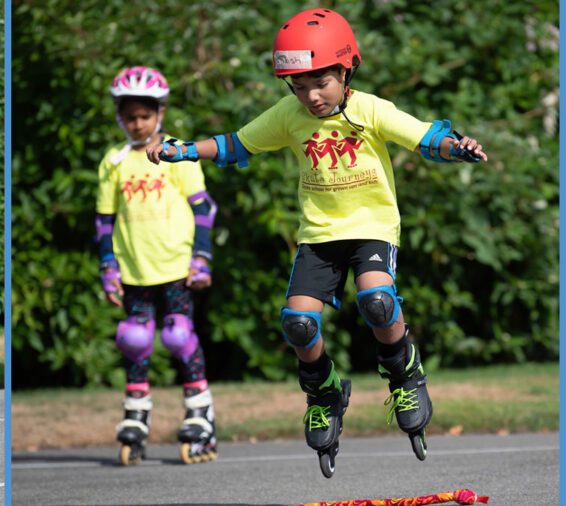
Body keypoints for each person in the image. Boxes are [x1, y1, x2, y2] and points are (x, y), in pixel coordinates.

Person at [146, 8, 486, 474]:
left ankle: (405, 372)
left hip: (371, 227)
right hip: (319, 236)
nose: (310, 96)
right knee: (299, 324)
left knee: (378, 301)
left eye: (320, 82)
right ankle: (324, 392)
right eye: (299, 86)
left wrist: (458, 148)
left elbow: (425, 137)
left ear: (346, 70)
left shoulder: (369, 109)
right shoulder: (290, 115)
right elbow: (235, 144)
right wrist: (184, 150)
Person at [91, 66, 219, 466]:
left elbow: (204, 209)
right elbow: (103, 221)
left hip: (177, 267)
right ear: (119, 117)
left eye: (144, 116)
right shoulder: (113, 162)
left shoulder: (177, 153)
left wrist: (202, 257)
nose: (137, 123)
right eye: (130, 116)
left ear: (160, 114)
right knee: (133, 338)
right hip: (134, 270)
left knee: (179, 336)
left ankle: (201, 414)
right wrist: (107, 267)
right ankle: (136, 415)